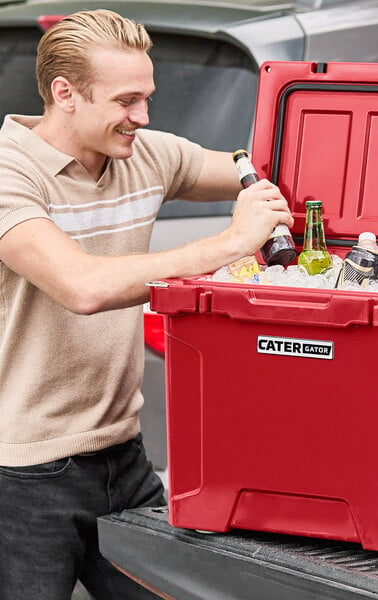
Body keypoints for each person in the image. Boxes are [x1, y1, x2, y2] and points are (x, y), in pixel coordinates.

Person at [0, 9, 293, 599]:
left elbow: (256, 170)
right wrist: (230, 243)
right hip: (25, 472)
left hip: (125, 457)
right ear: (65, 94)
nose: (144, 117)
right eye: (126, 101)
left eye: (149, 97)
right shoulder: (12, 173)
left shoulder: (144, 155)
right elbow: (81, 286)